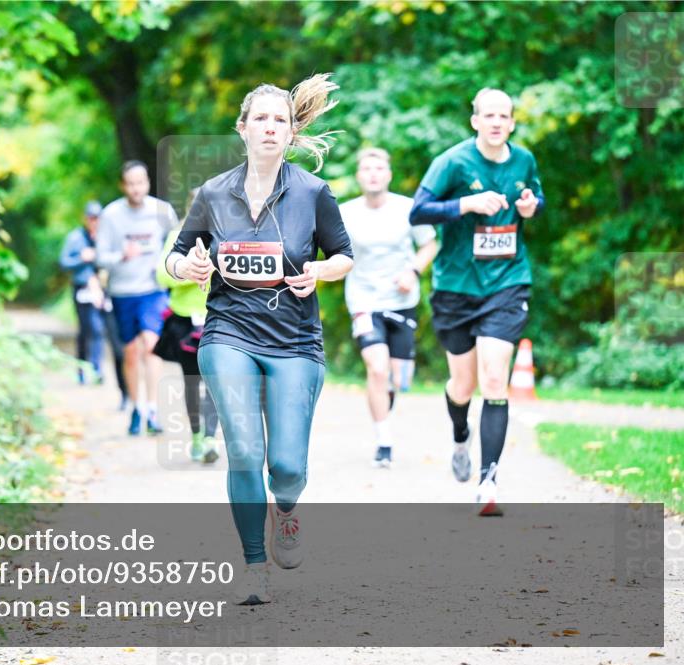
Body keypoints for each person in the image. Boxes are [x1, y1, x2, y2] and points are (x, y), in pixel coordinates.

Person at [164, 74, 354, 604]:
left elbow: (344, 256)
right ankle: (253, 567)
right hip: (228, 332)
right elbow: (175, 256)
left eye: (281, 120)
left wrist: (319, 273)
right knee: (244, 451)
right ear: (243, 128)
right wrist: (191, 265)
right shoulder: (212, 194)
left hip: (295, 340)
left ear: (291, 133)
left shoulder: (314, 194)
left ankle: (286, 511)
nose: (270, 128)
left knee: (287, 468)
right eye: (261, 119)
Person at [410, 88, 545, 516]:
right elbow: (418, 212)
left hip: (507, 283)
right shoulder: (453, 161)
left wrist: (529, 207)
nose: (496, 122)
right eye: (489, 115)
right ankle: (459, 434)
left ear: (512, 122)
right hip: (455, 286)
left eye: (504, 116)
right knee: (462, 385)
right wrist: (465, 203)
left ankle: (489, 480)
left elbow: (536, 200)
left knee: (493, 379)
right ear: (475, 121)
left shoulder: (524, 160)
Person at [339, 148, 438, 468]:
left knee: (399, 379)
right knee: (377, 369)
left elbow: (429, 244)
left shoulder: (409, 209)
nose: (372, 174)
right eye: (366, 168)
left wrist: (413, 271)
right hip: (364, 301)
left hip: (402, 301)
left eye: (378, 168)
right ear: (359, 176)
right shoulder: (345, 213)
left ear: (388, 174)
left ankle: (388, 394)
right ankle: (384, 442)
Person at [96, 161, 179, 436]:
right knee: (130, 353)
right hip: (123, 292)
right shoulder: (111, 215)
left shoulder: (162, 211)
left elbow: (178, 243)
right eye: (130, 183)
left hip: (153, 289)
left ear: (147, 183)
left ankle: (154, 410)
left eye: (140, 182)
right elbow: (100, 257)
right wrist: (121, 254)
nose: (136, 188)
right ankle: (137, 406)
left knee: (151, 345)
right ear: (122, 186)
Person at [154, 190, 220, 464]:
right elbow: (161, 276)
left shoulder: (222, 234)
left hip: (217, 317)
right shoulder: (176, 236)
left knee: (217, 380)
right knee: (192, 382)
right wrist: (191, 272)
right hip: (183, 321)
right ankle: (195, 436)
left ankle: (209, 438)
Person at [59, 201, 107, 385]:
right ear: (86, 219)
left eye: (97, 218)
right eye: (91, 218)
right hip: (82, 289)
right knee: (86, 330)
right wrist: (82, 258)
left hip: (102, 290)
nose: (94, 222)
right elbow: (64, 262)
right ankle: (82, 369)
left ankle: (96, 369)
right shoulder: (75, 238)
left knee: (98, 329)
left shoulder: (104, 238)